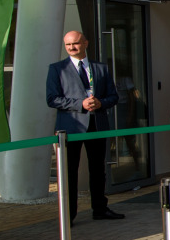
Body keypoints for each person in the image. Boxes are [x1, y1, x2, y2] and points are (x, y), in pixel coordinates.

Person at [45, 31, 123, 222]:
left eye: (76, 43)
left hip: (96, 124)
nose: (72, 48)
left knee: (98, 170)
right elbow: (52, 99)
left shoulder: (101, 68)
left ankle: (100, 209)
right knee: (69, 171)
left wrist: (100, 103)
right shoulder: (57, 69)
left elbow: (113, 97)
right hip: (71, 128)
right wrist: (80, 104)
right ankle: (68, 215)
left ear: (85, 43)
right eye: (68, 45)